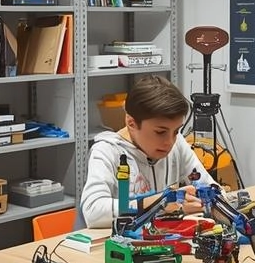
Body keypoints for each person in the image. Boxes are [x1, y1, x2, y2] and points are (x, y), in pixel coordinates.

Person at [81, 75, 209, 227]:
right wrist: (161, 203)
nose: (170, 141)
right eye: (160, 132)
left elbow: (207, 185)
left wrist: (206, 198)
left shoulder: (177, 143)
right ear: (131, 123)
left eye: (175, 131)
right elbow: (93, 212)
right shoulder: (107, 151)